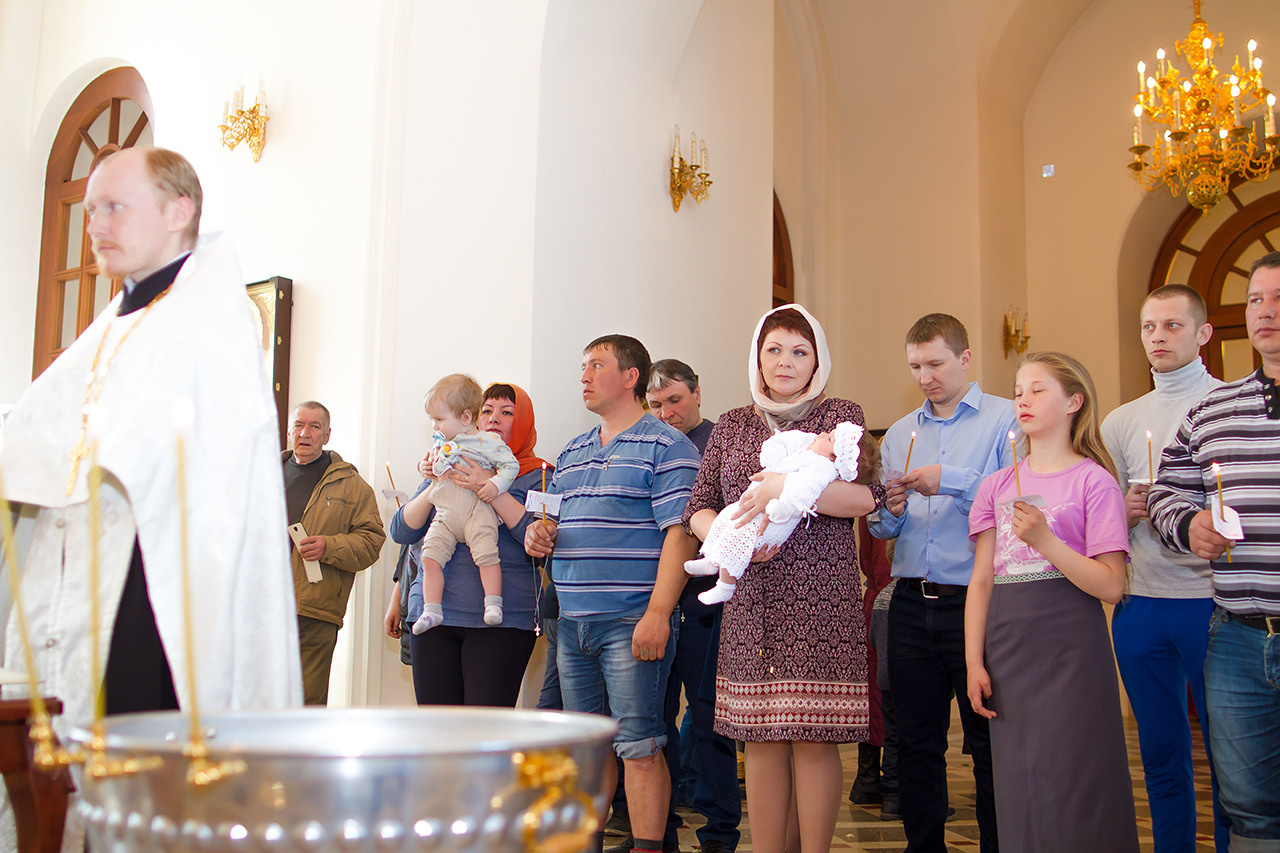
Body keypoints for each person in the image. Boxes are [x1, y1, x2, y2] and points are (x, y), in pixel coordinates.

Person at [0, 147, 301, 847]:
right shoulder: (118, 322)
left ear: (178, 211)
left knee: (151, 784)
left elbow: (201, 470)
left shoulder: (208, 324)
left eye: (114, 206)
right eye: (89, 210)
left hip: (166, 590)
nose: (95, 225)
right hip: (92, 583)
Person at [682, 304, 885, 853]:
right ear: (757, 358)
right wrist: (729, 536)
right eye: (774, 350)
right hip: (750, 600)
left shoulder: (840, 416)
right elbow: (696, 508)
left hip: (820, 599)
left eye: (799, 351)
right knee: (762, 740)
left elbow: (866, 497)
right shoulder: (731, 424)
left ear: (817, 359)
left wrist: (781, 491)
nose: (785, 362)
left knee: (813, 737)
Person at [525, 335, 701, 853]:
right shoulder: (573, 452)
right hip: (572, 623)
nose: (583, 375)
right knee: (589, 749)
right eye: (582, 366)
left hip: (631, 622)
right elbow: (549, 527)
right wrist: (541, 538)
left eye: (596, 365)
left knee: (640, 747)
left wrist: (658, 614)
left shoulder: (669, 446)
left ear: (631, 378)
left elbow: (681, 533)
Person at [965, 351, 1137, 853]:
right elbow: (981, 581)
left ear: (1073, 402)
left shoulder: (1094, 481)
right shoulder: (996, 485)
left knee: (1077, 777)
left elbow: (1111, 585)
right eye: (1018, 390)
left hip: (1071, 649)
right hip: (1009, 645)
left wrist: (1047, 541)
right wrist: (973, 660)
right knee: (1022, 782)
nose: (1023, 399)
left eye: (1038, 389)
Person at [1148, 251, 1280, 851]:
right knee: (1248, 808)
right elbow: (1169, 491)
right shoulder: (1214, 409)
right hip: (1237, 636)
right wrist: (1189, 525)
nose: (1265, 312)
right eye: (1255, 300)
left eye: (1279, 299)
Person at [866, 313, 1012, 853]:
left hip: (977, 602)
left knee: (987, 741)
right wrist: (892, 509)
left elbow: (1015, 502)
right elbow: (882, 526)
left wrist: (949, 482)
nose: (924, 375)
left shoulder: (1005, 419)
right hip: (908, 600)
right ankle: (924, 846)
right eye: (915, 366)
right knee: (916, 744)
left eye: (935, 363)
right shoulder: (903, 430)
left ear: (965, 359)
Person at [1099, 284, 1229, 852]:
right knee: (1160, 754)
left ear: (1203, 333)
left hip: (1217, 603)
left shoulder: (1230, 406)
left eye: (1173, 326)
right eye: (1150, 327)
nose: (1158, 337)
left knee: (1232, 759)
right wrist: (1121, 514)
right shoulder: (1122, 422)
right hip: (1142, 602)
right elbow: (1097, 525)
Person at [383, 382, 546, 707]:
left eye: (507, 412)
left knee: (484, 733)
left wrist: (489, 485)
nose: (494, 419)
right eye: (487, 411)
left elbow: (537, 542)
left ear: (524, 420)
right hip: (433, 615)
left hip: (503, 620)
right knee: (438, 730)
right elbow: (403, 532)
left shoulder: (535, 475)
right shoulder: (447, 459)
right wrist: (436, 484)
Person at [686, 422, 868, 604]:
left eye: (829, 438)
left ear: (835, 457)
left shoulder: (822, 467)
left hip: (773, 519)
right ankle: (712, 558)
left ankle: (725, 586)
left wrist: (780, 497)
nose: (821, 433)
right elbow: (697, 505)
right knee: (725, 518)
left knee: (739, 535)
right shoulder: (810, 449)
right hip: (751, 508)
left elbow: (803, 492)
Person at [284, 400, 386, 706]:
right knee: (256, 702)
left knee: (306, 704)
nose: (305, 433)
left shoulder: (351, 486)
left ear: (327, 435)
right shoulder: (261, 476)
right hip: (259, 607)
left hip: (314, 613)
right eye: (299, 425)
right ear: (289, 432)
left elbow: (371, 542)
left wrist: (329, 546)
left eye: (315, 426)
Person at [408, 374, 520, 633]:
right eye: (433, 420)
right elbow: (432, 469)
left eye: (439, 419)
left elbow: (510, 466)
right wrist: (425, 467)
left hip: (476, 510)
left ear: (465, 418)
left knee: (487, 554)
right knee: (429, 556)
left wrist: (495, 484)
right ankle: (432, 610)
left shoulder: (488, 442)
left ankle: (493, 603)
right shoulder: (443, 444)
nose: (435, 427)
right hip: (446, 513)